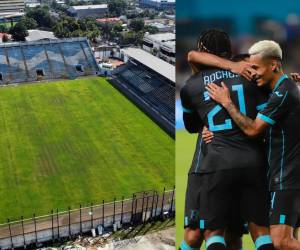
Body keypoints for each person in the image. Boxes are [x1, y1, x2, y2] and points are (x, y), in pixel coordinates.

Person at [180, 29, 274, 250]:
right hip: (249, 159)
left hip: (215, 162)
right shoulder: (248, 72)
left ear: (204, 49)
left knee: (218, 232)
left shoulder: (193, 84)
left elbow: (190, 125)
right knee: (251, 231)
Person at [203, 40, 300, 249]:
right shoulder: (285, 89)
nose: (252, 73)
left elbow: (253, 129)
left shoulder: (283, 92)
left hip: (287, 178)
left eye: (256, 67)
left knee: (280, 241)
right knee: (290, 237)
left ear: (273, 65)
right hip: (286, 176)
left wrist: (226, 103)